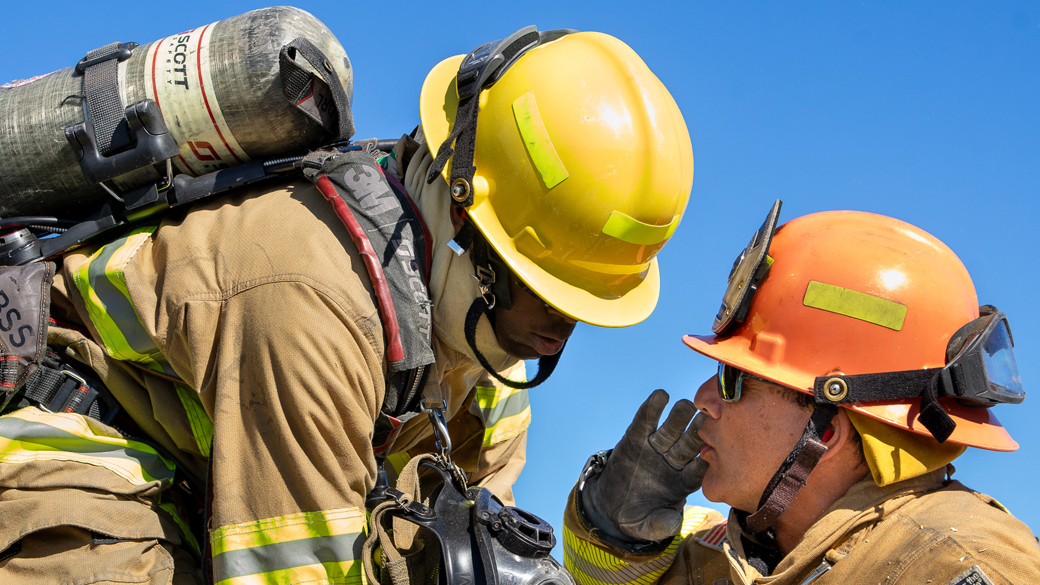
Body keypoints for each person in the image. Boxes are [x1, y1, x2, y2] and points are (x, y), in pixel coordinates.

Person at [0, 27, 693, 584]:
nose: (555, 329)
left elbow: (480, 532)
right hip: (80, 477)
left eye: (578, 304)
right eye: (537, 287)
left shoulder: (491, 358)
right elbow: (287, 570)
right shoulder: (310, 298)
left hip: (196, 485)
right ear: (462, 216)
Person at [564, 204, 1040, 585]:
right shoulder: (739, 553)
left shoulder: (954, 565)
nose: (704, 398)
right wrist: (617, 529)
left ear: (826, 429)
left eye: (733, 379)